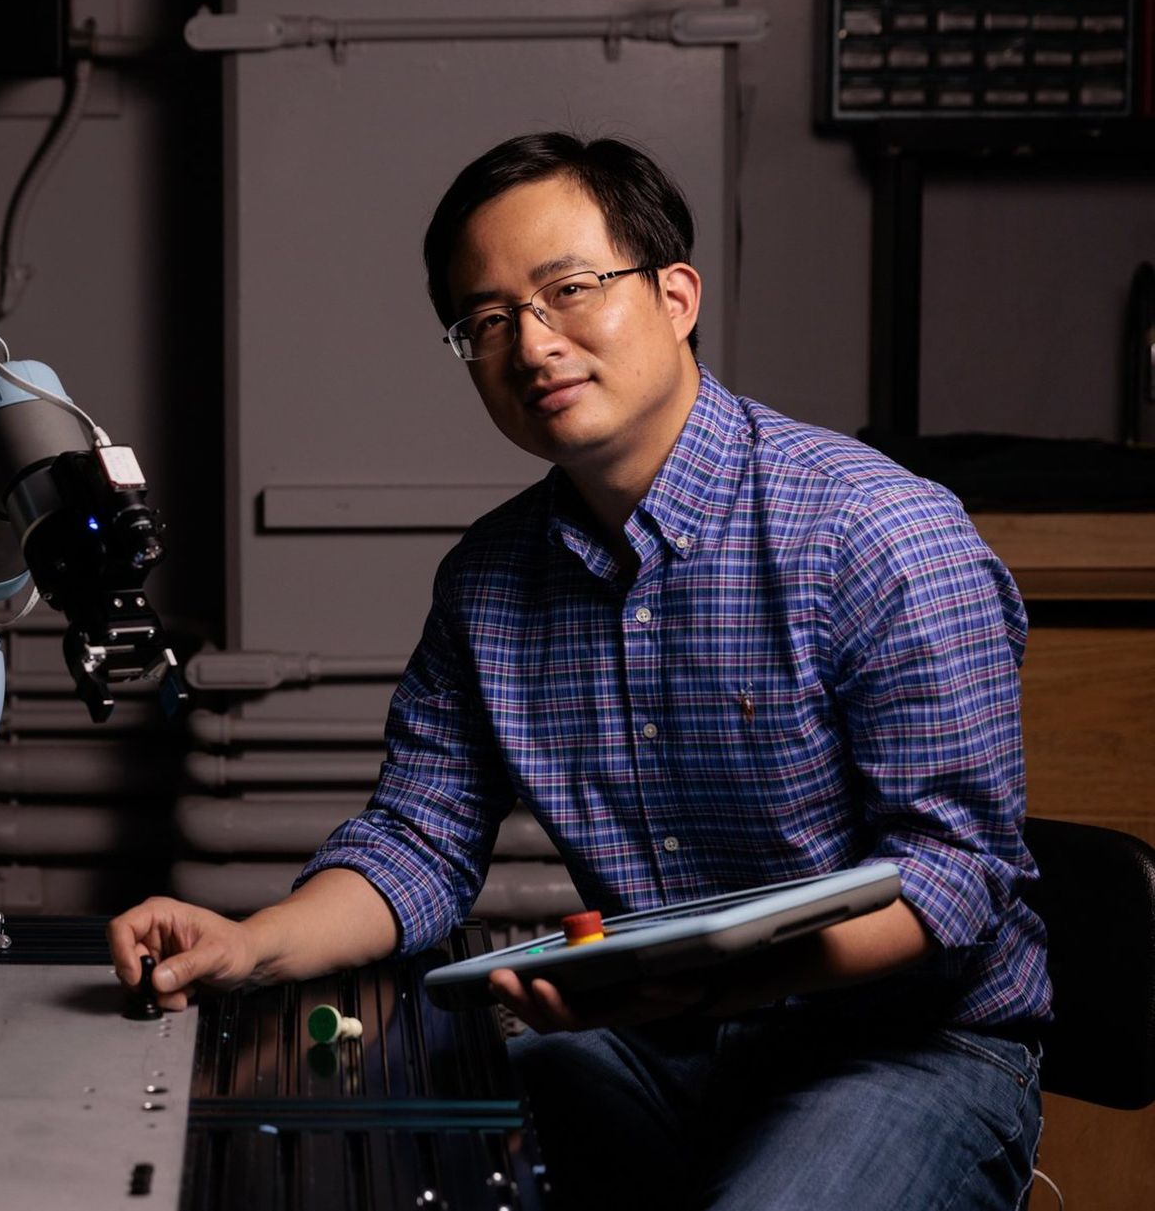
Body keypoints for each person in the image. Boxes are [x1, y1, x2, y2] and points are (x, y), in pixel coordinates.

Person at [108, 132, 1049, 1209]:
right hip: (666, 1040)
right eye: (487, 321)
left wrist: (729, 981)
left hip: (914, 1052)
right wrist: (251, 944)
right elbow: (419, 840)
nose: (532, 343)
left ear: (677, 294)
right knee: (376, 1135)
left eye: (570, 289)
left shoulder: (876, 532)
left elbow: (955, 873)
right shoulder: (489, 582)